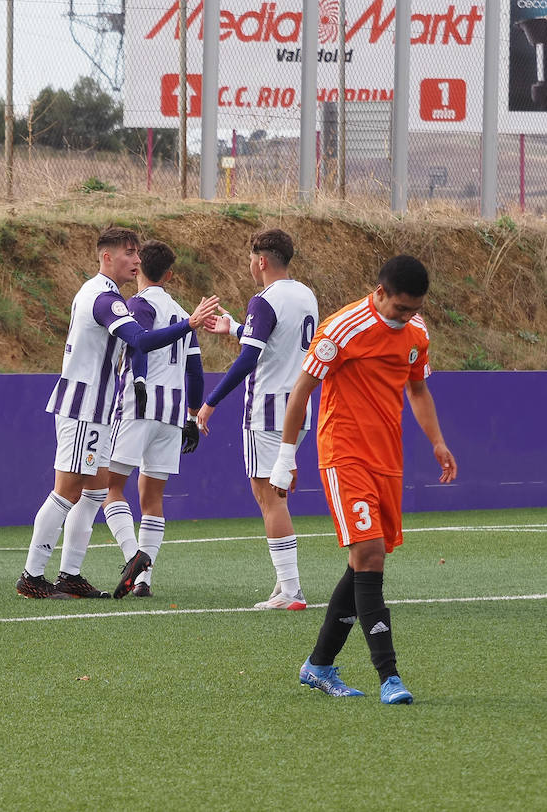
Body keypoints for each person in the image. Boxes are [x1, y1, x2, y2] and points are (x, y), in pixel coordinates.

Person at [270, 255, 456, 704]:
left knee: (365, 562)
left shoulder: (416, 334)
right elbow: (301, 391)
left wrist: (437, 441)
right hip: (343, 453)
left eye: (413, 310)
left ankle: (318, 664)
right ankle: (389, 677)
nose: (406, 318)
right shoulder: (342, 328)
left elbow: (416, 388)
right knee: (370, 554)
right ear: (379, 293)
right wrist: (285, 458)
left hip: (387, 460)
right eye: (399, 309)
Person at [16, 226, 218, 600]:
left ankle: (70, 575)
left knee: (95, 490)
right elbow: (139, 341)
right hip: (85, 406)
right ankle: (32, 576)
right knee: (68, 490)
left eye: (138, 254)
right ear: (107, 256)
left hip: (100, 408)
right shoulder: (105, 299)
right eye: (129, 253)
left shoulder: (104, 294)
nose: (136, 260)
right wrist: (188, 325)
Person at [196, 229, 320, 610]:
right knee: (276, 495)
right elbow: (278, 343)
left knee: (268, 498)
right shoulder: (306, 294)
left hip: (266, 409)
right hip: (299, 408)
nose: (250, 265)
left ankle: (291, 590)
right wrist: (234, 328)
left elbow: (250, 359)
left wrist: (210, 403)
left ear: (262, 260)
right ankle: (285, 585)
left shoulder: (263, 300)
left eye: (251, 258)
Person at [100, 240, 204, 598]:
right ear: (170, 274)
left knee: (108, 487)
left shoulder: (138, 304)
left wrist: (140, 382)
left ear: (138, 265)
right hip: (173, 414)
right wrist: (192, 415)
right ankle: (144, 581)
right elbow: (195, 371)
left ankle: (134, 557)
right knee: (152, 497)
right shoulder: (181, 312)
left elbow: (139, 344)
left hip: (138, 407)